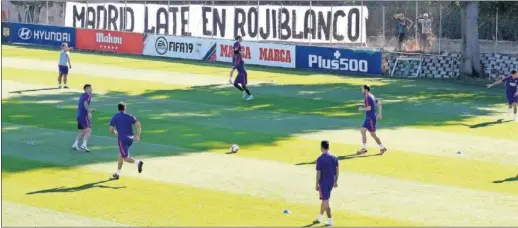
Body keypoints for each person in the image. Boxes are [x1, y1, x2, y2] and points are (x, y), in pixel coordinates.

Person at [109, 102, 144, 180]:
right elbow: (138, 124)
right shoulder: (130, 116)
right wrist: (138, 135)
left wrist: (115, 133)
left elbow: (111, 129)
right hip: (130, 139)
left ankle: (138, 163)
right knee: (121, 155)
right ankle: (117, 173)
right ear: (125, 108)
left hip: (122, 139)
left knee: (125, 157)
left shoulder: (115, 117)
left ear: (118, 109)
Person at [357, 85, 387, 155]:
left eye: (362, 89)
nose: (361, 91)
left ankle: (380, 148)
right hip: (370, 117)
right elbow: (379, 103)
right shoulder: (372, 96)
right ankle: (365, 148)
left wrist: (361, 109)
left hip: (370, 118)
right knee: (364, 131)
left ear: (366, 90)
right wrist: (379, 114)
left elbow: (369, 108)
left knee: (371, 134)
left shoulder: (367, 97)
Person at [314, 140, 339, 226]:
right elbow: (337, 170)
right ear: (328, 147)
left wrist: (316, 183)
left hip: (323, 183)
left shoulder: (320, 159)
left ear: (321, 148)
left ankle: (330, 219)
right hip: (331, 182)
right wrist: (336, 181)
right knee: (324, 200)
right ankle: (320, 217)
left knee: (326, 201)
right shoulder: (334, 157)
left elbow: (318, 173)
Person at [229, 36, 253, 101]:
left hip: (242, 73)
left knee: (243, 85)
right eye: (241, 38)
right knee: (235, 84)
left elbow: (235, 51)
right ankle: (244, 91)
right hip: (240, 73)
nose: (242, 39)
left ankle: (250, 95)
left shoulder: (237, 58)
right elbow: (235, 50)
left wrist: (230, 78)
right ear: (239, 39)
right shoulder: (236, 58)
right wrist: (239, 52)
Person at [72, 84, 94, 152]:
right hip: (83, 116)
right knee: (89, 130)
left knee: (83, 131)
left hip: (78, 115)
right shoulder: (88, 96)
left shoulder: (82, 95)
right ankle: (84, 145)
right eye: (90, 88)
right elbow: (85, 104)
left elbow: (81, 105)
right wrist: (89, 111)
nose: (91, 90)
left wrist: (88, 113)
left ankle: (75, 144)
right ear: (86, 89)